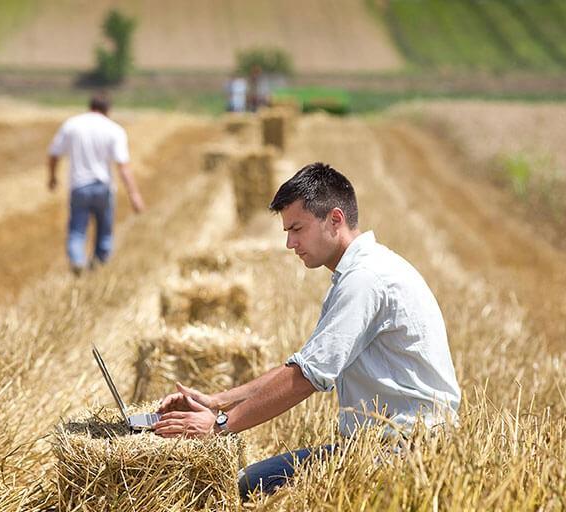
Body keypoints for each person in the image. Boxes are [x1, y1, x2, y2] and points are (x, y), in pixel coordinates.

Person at [154, 162, 460, 500]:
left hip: (405, 455)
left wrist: (219, 426)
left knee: (244, 489)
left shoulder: (366, 280)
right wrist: (217, 402)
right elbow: (302, 364)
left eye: (297, 229)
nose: (290, 243)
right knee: (249, 482)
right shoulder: (359, 272)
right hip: (379, 446)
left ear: (335, 219)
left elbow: (306, 378)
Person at [47, 93, 145, 274]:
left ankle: (77, 260)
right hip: (103, 187)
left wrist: (52, 178)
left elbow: (54, 153)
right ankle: (99, 266)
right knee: (104, 232)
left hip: (79, 186)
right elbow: (123, 167)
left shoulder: (72, 125)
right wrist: (134, 194)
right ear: (107, 110)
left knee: (77, 230)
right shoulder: (114, 129)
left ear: (90, 106)